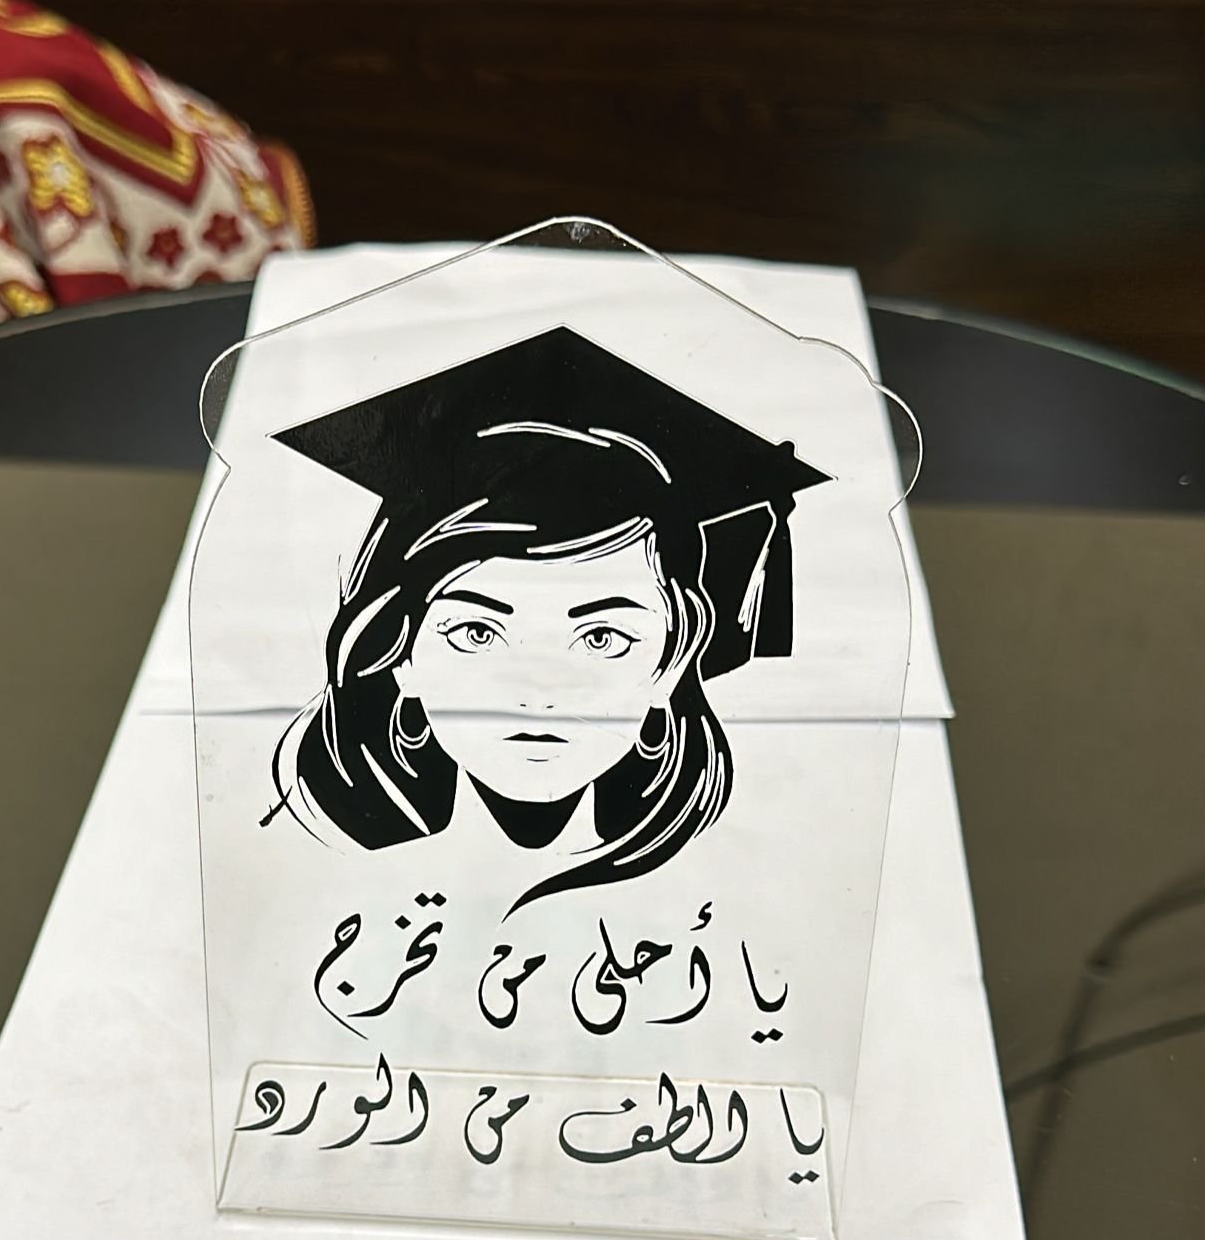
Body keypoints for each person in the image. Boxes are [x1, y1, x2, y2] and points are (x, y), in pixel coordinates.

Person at [262, 325, 828, 914]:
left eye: (603, 637)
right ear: (401, 655)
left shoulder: (746, 887)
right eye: (477, 633)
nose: (539, 690)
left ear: (672, 661)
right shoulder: (328, 883)